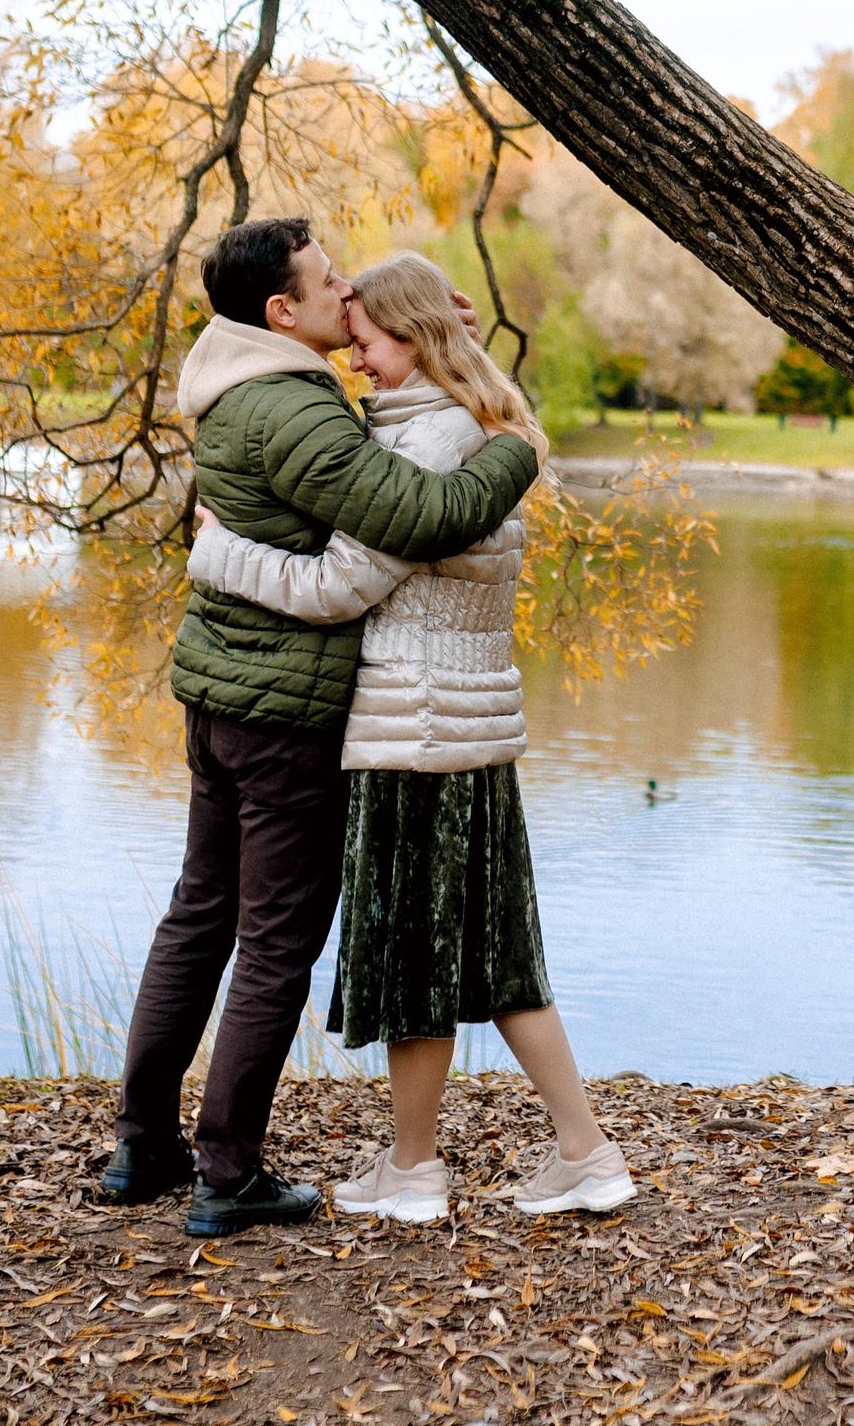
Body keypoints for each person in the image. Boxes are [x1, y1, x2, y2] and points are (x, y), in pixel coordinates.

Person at [103, 218, 543, 1240]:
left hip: (220, 694)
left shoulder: (236, 383)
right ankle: (226, 1170)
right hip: (284, 708)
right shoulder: (295, 413)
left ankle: (143, 1142)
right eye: (328, 282)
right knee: (276, 937)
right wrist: (515, 447)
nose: (345, 295)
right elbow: (423, 515)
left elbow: (369, 422)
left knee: (200, 911)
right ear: (280, 312)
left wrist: (427, 329)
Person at [186, 252, 632, 1222]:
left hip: (408, 730)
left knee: (416, 962)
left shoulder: (425, 442)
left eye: (371, 342)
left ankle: (420, 1171)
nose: (357, 361)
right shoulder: (471, 420)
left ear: (415, 338)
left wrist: (217, 549)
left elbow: (334, 588)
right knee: (503, 961)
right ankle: (578, 1153)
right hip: (474, 737)